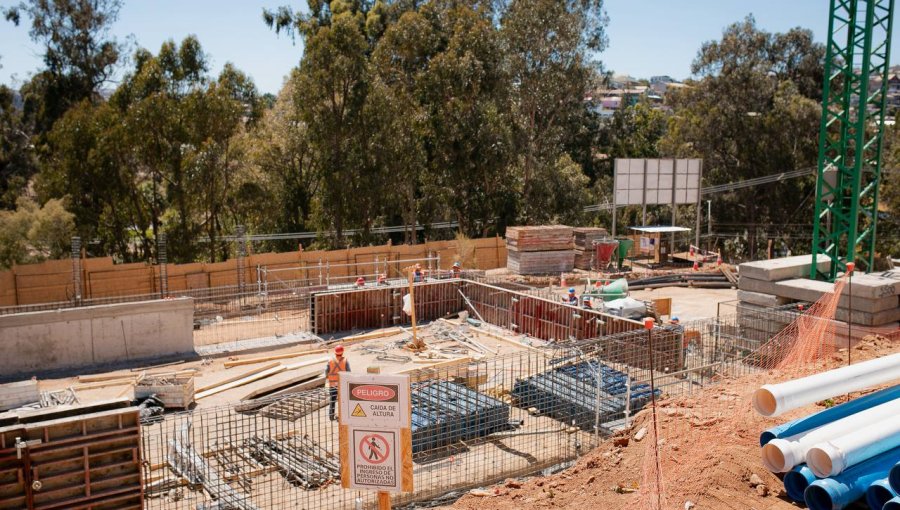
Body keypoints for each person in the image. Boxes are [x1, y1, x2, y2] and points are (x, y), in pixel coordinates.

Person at [326, 345, 350, 421]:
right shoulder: (345, 360)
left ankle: (331, 416)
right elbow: (349, 372)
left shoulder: (330, 361)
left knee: (332, 400)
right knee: (342, 401)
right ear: (342, 352)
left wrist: (328, 378)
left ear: (335, 352)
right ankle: (342, 416)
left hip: (332, 384)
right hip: (342, 385)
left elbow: (326, 372)